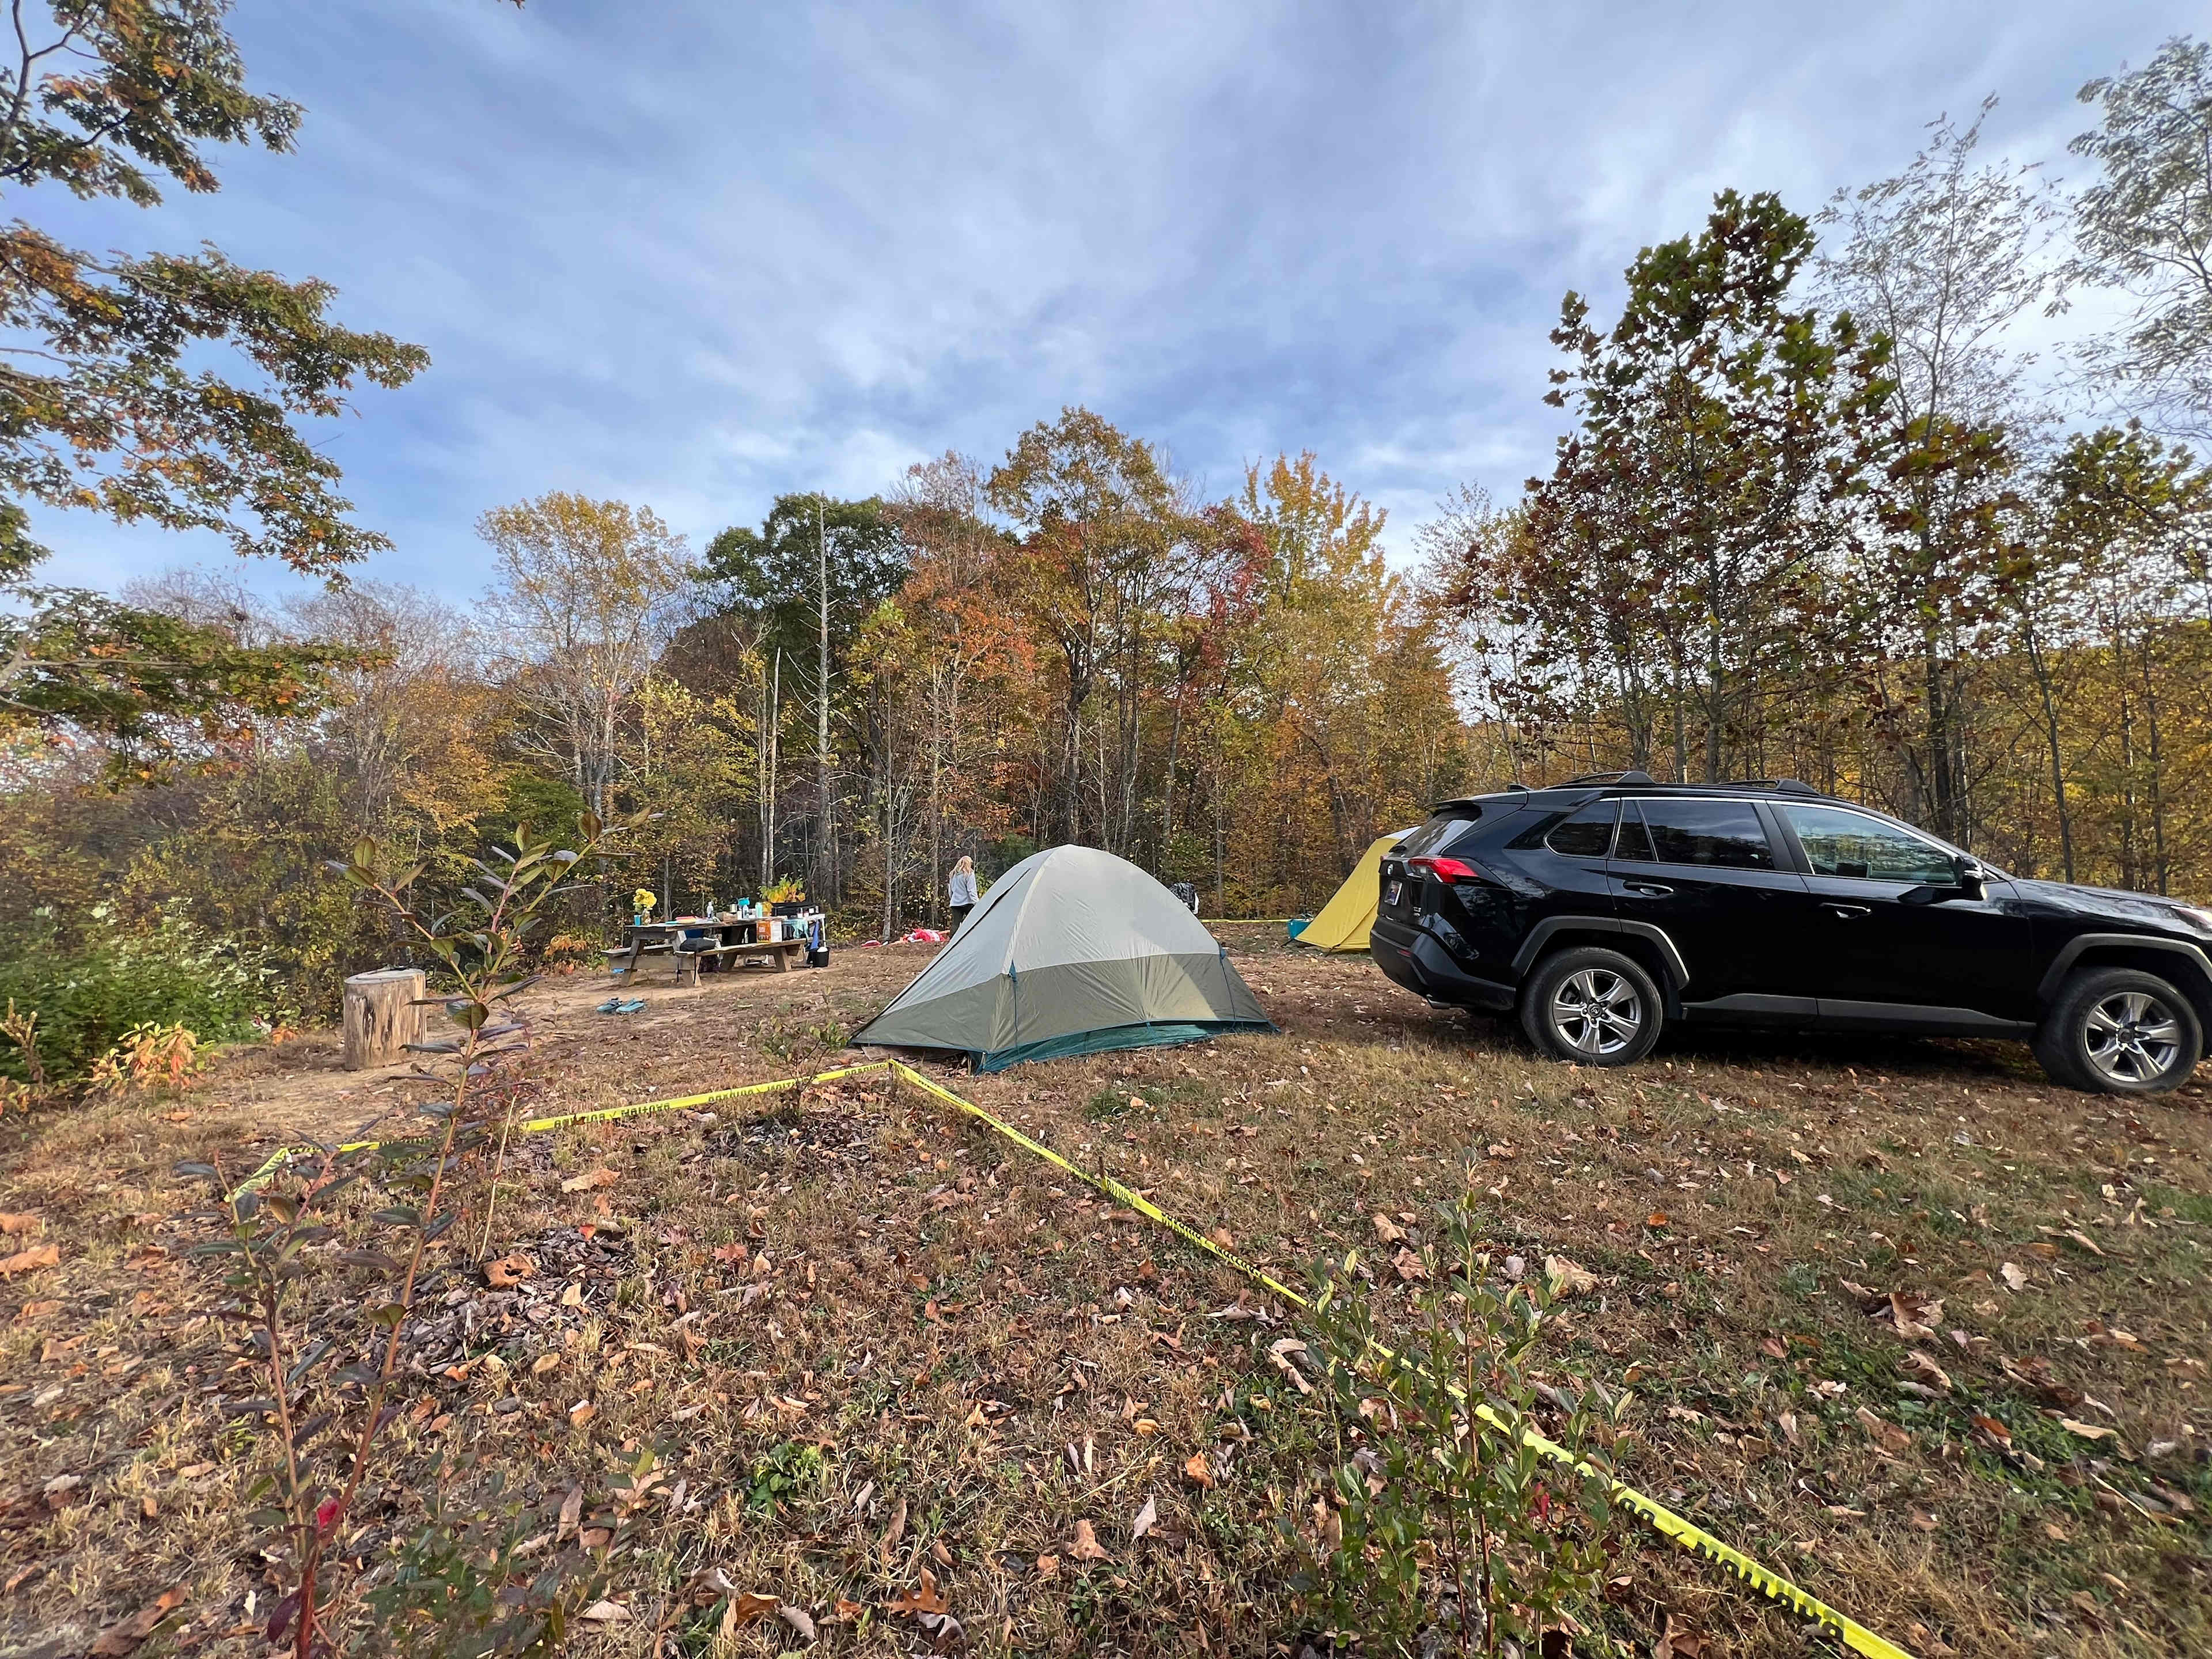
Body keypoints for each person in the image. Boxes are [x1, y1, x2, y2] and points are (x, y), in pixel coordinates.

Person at [947, 855, 978, 931]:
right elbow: (972, 890)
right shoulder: (969, 874)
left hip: (955, 904)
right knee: (973, 922)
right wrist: (977, 902)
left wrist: (953, 899)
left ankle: (952, 941)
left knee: (955, 924)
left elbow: (950, 891)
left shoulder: (953, 874)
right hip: (968, 903)